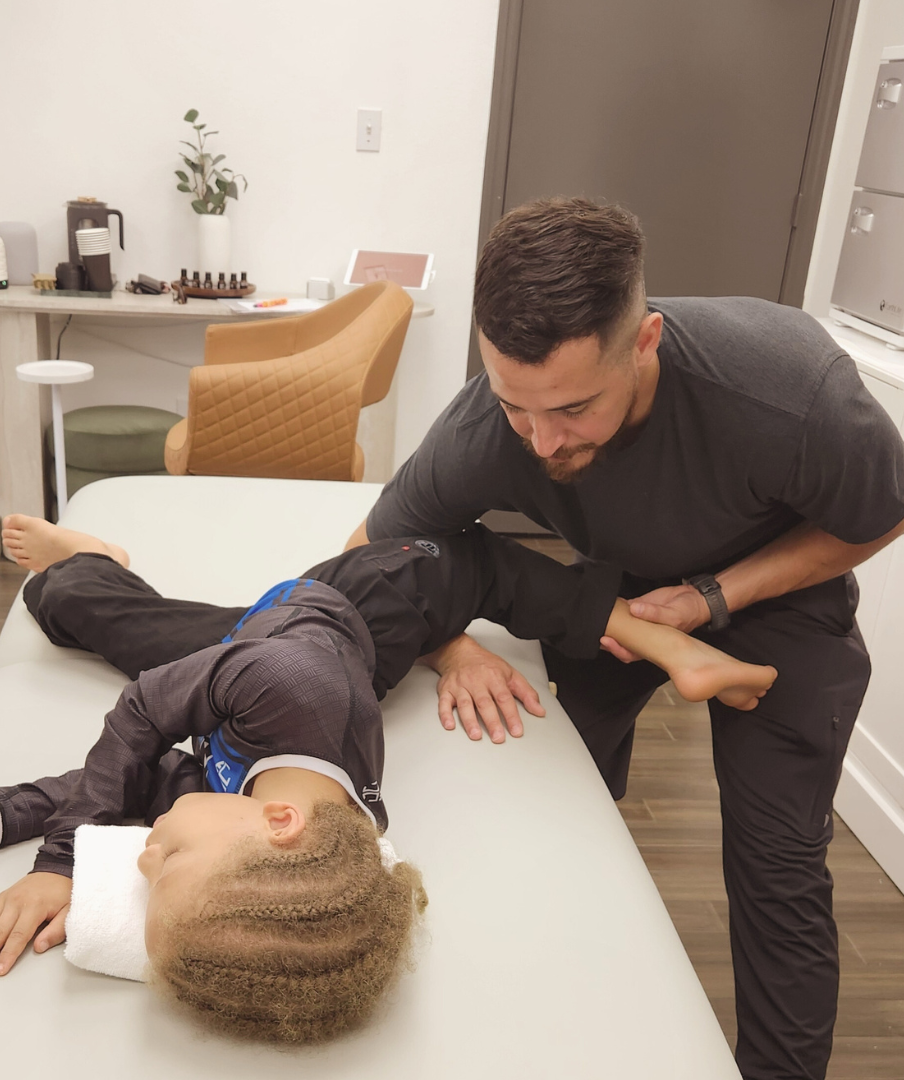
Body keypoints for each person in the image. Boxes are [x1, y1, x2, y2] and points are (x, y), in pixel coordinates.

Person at [347, 196, 904, 1080]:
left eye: (572, 408)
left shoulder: (789, 391)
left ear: (645, 343)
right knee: (565, 802)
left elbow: (878, 517)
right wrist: (452, 645)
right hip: (611, 595)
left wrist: (713, 598)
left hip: (779, 598)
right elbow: (372, 557)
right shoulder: (492, 424)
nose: (541, 441)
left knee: (777, 869)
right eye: (516, 406)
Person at [0, 513, 774, 1040]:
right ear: (280, 826)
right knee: (486, 573)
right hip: (363, 601)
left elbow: (146, 784)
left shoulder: (303, 842)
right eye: (167, 866)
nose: (142, 858)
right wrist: (60, 862)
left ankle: (104, 567)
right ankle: (665, 641)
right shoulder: (285, 687)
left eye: (147, 872)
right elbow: (138, 721)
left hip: (252, 645)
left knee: (64, 601)